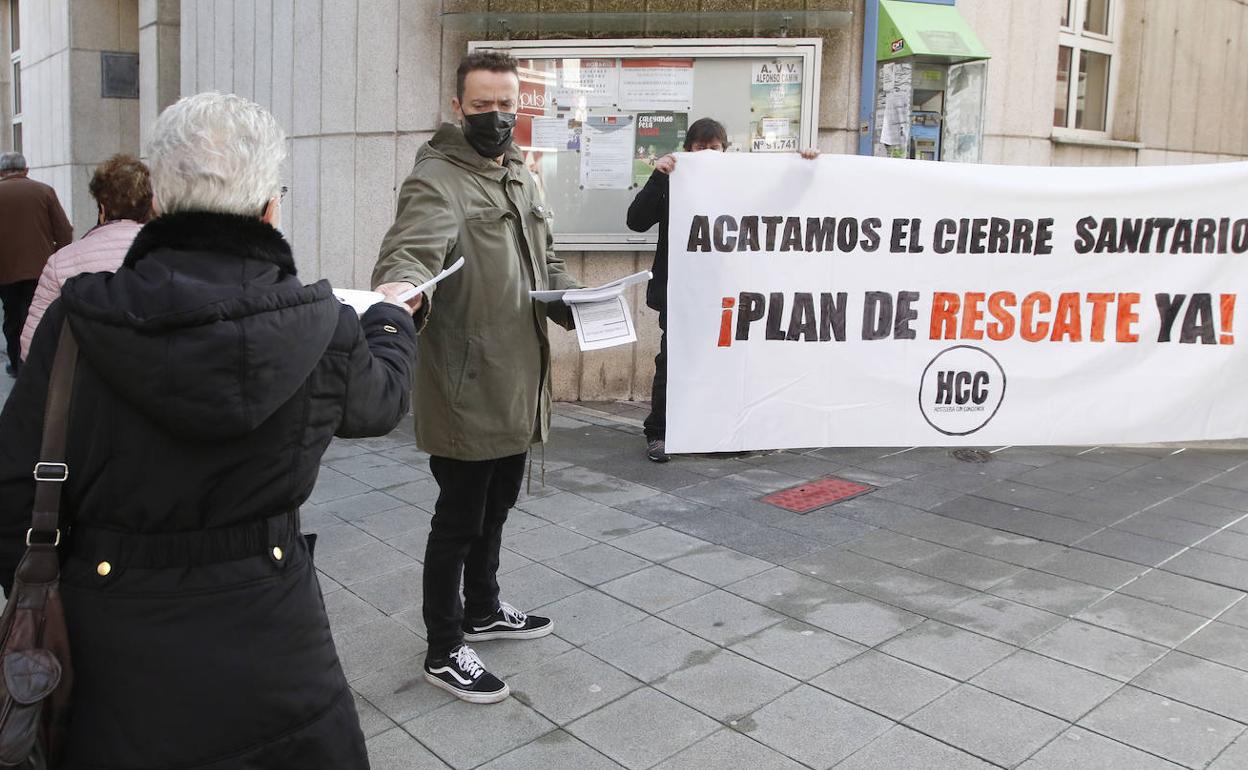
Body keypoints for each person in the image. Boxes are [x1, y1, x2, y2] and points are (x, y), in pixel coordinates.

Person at [0, 92, 418, 769]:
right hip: (278, 646)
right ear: (271, 206)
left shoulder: (77, 324)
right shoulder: (324, 325)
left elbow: (14, 491)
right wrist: (393, 321)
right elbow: (381, 404)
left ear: (158, 203)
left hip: (110, 652)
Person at [373, 50, 580, 705]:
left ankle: (484, 608)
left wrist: (575, 297)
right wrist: (401, 288)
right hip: (467, 385)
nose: (496, 117)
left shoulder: (521, 175)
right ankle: (443, 648)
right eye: (482, 105)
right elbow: (411, 251)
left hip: (521, 380)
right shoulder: (438, 180)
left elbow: (545, 260)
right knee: (457, 519)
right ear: (458, 107)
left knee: (498, 505)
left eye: (505, 105)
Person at [627, 121, 819, 463]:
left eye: (714, 147)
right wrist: (659, 177)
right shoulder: (673, 182)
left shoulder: (738, 185)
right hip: (681, 293)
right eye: (700, 148)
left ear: (726, 151)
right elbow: (636, 220)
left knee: (724, 365)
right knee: (672, 363)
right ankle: (659, 433)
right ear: (687, 150)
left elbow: (780, 205)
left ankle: (715, 433)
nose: (708, 154)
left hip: (727, 293)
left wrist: (802, 169)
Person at [20, 154, 152, 361]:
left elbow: (32, 345)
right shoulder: (173, 257)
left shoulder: (60, 263)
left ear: (102, 208)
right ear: (151, 206)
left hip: (82, 386)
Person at [0, 151, 73, 377]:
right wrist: (55, 256)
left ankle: (16, 362)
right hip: (39, 268)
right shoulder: (44, 191)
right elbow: (64, 230)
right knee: (38, 315)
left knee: (12, 317)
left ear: (1, 172)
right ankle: (36, 364)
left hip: (5, 270)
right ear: (26, 170)